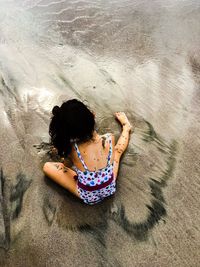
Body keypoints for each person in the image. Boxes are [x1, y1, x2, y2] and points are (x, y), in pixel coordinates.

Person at [43, 99, 132, 205]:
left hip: (88, 195)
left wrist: (64, 154)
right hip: (109, 187)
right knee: (117, 152)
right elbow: (115, 151)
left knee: (47, 167)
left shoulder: (73, 150)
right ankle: (126, 127)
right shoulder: (109, 138)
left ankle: (88, 177)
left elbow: (66, 165)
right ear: (92, 115)